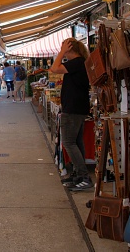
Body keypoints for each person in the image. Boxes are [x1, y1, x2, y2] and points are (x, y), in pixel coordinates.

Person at [49, 38, 91, 191]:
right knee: (76, 142)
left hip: (73, 108)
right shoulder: (80, 63)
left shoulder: (77, 62)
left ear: (69, 48)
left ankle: (84, 176)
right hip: (77, 107)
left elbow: (55, 68)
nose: (61, 49)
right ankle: (79, 175)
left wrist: (61, 52)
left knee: (69, 142)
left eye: (63, 46)